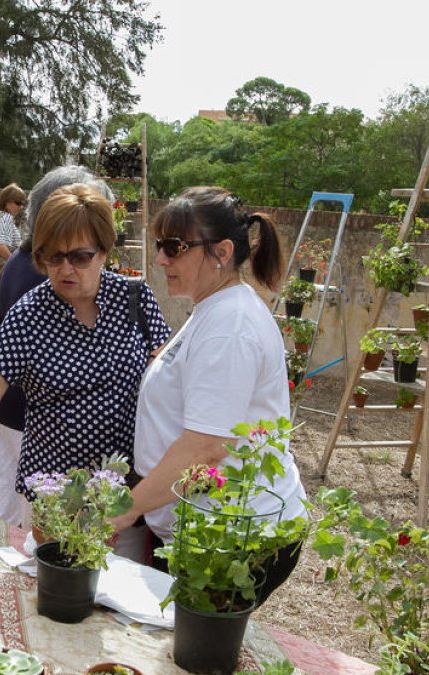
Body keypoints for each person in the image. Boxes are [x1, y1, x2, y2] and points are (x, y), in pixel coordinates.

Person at [0, 184, 170, 556]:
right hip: (53, 500)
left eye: (80, 256)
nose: (65, 269)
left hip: (125, 497)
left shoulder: (135, 299)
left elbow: (167, 378)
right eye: (52, 257)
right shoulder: (30, 314)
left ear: (104, 251)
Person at [109, 187, 308, 604]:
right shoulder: (215, 308)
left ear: (220, 252)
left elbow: (204, 448)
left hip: (234, 538)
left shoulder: (229, 326)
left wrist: (123, 511)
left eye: (174, 247)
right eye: (159, 245)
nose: (161, 258)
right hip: (210, 532)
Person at [0, 167, 109, 528]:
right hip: (22, 417)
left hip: (6, 414)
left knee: (2, 511)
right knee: (16, 522)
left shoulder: (23, 259)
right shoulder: (46, 275)